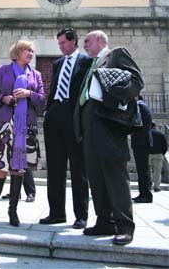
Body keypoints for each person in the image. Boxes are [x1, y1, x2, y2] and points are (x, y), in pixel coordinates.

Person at [74, 30, 144, 246]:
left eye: (86, 41)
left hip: (108, 122)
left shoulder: (115, 54)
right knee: (95, 175)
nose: (83, 45)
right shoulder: (90, 64)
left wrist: (117, 96)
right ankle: (105, 221)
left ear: (99, 40)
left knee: (115, 175)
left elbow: (136, 81)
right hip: (89, 124)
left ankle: (124, 226)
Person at [0, 40, 45, 227]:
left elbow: (41, 99)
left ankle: (12, 211)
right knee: (0, 167)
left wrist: (29, 94)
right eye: (27, 50)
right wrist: (4, 98)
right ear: (17, 51)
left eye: (32, 50)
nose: (31, 53)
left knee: (19, 168)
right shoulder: (2, 70)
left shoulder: (36, 74)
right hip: (5, 124)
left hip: (26, 126)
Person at [39, 28, 91, 229]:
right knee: (55, 168)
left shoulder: (86, 62)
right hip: (54, 117)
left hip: (74, 117)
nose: (60, 47)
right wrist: (48, 112)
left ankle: (81, 215)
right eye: (58, 43)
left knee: (79, 168)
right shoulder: (57, 63)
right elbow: (53, 89)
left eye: (63, 43)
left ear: (74, 41)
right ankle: (57, 213)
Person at [131, 95, 153, 203]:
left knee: (142, 169)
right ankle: (144, 193)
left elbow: (138, 123)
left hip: (141, 142)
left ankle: (146, 194)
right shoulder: (144, 106)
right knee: (143, 169)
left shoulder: (140, 107)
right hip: (143, 141)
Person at [149, 122, 168, 192]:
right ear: (155, 126)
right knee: (157, 171)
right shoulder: (160, 134)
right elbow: (165, 146)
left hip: (148, 154)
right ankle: (156, 187)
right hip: (159, 154)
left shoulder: (147, 133)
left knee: (148, 170)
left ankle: (148, 184)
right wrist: (162, 153)